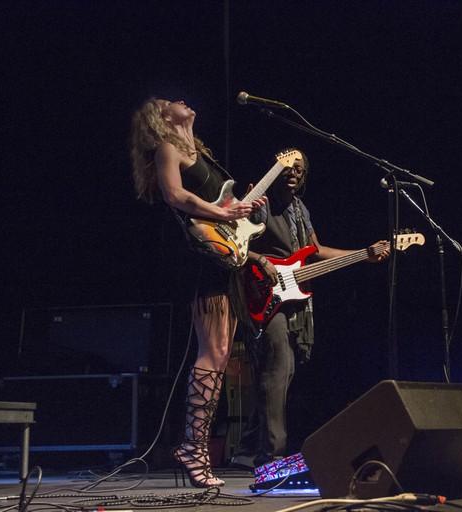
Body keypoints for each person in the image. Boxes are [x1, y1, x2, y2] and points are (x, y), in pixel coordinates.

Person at [129, 98, 269, 487]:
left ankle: (196, 445)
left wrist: (242, 209)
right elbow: (176, 195)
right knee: (212, 352)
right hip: (198, 258)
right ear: (160, 117)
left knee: (221, 353)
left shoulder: (200, 152)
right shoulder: (167, 148)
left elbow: (220, 207)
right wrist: (222, 212)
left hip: (220, 255)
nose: (182, 101)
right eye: (170, 100)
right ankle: (193, 446)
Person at [231, 149, 390, 469]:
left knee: (284, 372)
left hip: (292, 297)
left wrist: (364, 254)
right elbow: (234, 239)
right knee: (279, 367)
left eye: (300, 170)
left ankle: (249, 447)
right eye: (288, 167)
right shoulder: (261, 202)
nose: (294, 173)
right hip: (261, 292)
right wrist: (261, 260)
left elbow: (314, 252)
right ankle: (272, 456)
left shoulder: (300, 209)